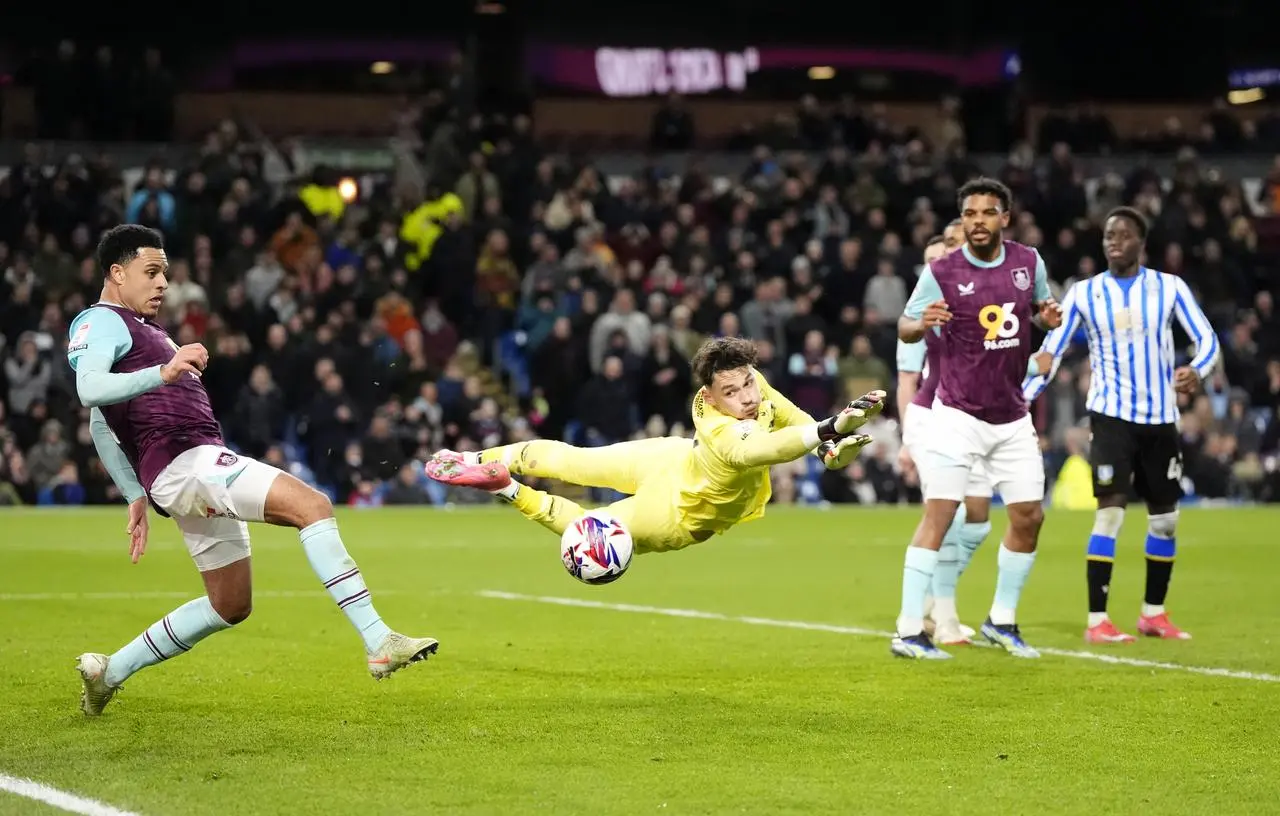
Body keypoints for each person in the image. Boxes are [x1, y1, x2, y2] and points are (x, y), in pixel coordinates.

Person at [68, 225, 437, 717]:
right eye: (150, 272)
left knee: (230, 604)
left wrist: (135, 495)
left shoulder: (141, 328)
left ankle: (109, 672)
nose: (162, 284)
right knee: (313, 505)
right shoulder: (101, 321)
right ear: (116, 272)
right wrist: (166, 371)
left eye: (165, 274)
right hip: (186, 462)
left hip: (181, 469)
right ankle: (378, 639)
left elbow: (99, 425)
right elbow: (90, 391)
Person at [426, 336, 885, 553]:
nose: (747, 397)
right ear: (708, 396)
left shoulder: (752, 386)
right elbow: (764, 451)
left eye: (748, 383)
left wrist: (829, 442)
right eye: (733, 391)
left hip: (671, 458)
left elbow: (792, 420)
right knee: (593, 537)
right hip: (678, 515)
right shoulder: (721, 432)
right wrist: (828, 431)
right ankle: (502, 482)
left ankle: (475, 462)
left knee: (577, 466)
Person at [1023, 207, 1219, 643]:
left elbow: (1206, 339)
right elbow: (1051, 353)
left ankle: (1153, 613)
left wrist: (1197, 371)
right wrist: (1022, 399)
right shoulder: (1084, 294)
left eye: (1124, 235)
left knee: (1165, 520)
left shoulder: (1169, 288)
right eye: (1109, 234)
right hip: (1111, 417)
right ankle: (1098, 621)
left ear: (1141, 244)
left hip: (1160, 420)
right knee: (1109, 513)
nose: (1114, 241)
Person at [893, 178, 1062, 660]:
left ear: (1005, 218)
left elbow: (1041, 310)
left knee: (1030, 517)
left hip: (1011, 416)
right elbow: (904, 326)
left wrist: (1047, 319)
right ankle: (908, 629)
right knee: (941, 515)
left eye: (988, 213)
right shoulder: (941, 271)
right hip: (956, 415)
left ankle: (1001, 620)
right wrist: (920, 323)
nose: (978, 222)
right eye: (969, 214)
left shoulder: (1029, 264)